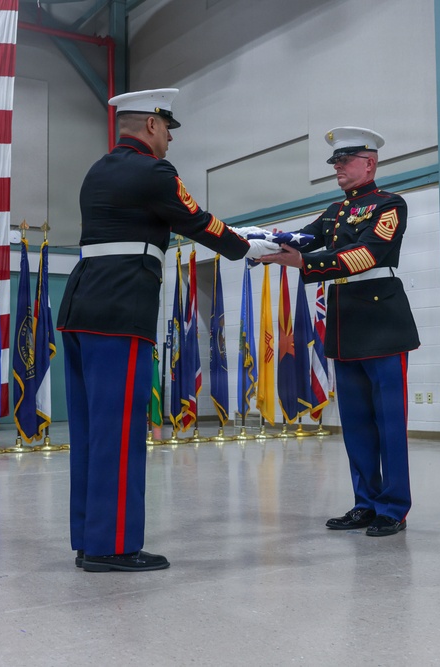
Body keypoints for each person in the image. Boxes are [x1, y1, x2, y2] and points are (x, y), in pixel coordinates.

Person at [56, 88, 279, 572]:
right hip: (120, 312)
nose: (171, 142)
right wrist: (252, 247)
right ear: (152, 126)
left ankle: (90, 537)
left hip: (79, 309)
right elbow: (196, 221)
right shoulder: (155, 172)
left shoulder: (99, 169)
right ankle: (112, 547)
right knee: (119, 433)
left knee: (92, 433)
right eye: (168, 130)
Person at [259, 127, 419, 537]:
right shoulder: (335, 211)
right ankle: (365, 503)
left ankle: (393, 507)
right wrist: (262, 243)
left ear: (370, 163)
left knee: (388, 422)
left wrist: (305, 265)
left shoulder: (390, 206)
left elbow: (366, 254)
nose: (337, 168)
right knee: (356, 423)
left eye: (344, 161)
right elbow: (303, 238)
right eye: (334, 162)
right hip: (345, 323)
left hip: (382, 322)